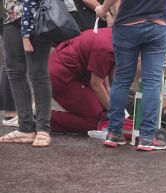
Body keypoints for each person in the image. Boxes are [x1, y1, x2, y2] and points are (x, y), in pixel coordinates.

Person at [96, 0, 166, 151]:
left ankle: (114, 132)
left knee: (122, 79)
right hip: (158, 24)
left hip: (128, 24)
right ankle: (147, 137)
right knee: (152, 82)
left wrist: (103, 9)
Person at [0, 0, 52, 147]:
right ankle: (25, 127)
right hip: (10, 14)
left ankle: (43, 129)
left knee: (38, 73)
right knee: (14, 72)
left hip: (37, 13)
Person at [49, 28, 114, 133]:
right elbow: (96, 84)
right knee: (94, 120)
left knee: (105, 110)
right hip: (61, 75)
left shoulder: (118, 34)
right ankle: (41, 118)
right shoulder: (106, 48)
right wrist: (116, 113)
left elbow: (114, 75)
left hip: (82, 71)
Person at [0, 22, 18, 127]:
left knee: (11, 61)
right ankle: (11, 113)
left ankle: (11, 113)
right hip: (10, 14)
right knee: (12, 61)